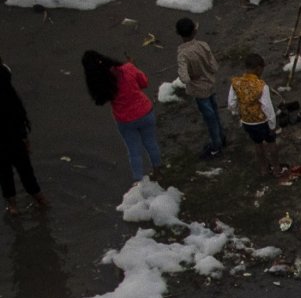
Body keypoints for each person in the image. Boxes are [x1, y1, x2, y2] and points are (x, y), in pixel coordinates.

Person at [82, 51, 162, 181]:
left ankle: (138, 181)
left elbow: (102, 99)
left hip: (125, 120)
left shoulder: (102, 83)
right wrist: (133, 66)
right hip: (145, 112)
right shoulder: (127, 69)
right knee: (151, 143)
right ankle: (158, 172)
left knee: (134, 151)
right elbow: (144, 83)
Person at [173, 19, 226, 159]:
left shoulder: (183, 54)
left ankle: (216, 145)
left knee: (209, 118)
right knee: (215, 112)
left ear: (179, 34)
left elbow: (184, 78)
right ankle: (221, 137)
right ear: (194, 31)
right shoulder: (203, 45)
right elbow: (214, 66)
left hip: (198, 90)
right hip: (210, 84)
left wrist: (191, 75)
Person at [0, 58, 40, 211]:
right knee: (25, 168)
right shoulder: (9, 96)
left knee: (4, 173)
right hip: (14, 135)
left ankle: (12, 205)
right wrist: (24, 137)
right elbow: (19, 114)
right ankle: (38, 197)